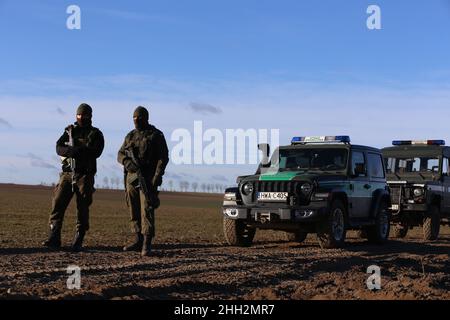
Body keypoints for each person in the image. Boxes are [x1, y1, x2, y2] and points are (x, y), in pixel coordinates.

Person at [42, 103, 104, 252]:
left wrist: (80, 151)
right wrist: (70, 150)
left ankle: (78, 239)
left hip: (84, 176)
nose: (81, 117)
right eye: (79, 115)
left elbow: (96, 152)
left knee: (82, 208)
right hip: (67, 175)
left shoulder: (95, 134)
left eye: (84, 115)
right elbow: (58, 147)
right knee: (57, 204)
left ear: (90, 116)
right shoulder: (69, 130)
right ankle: (54, 237)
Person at [117, 106, 169, 256]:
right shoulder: (130, 136)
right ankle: (138, 239)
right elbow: (120, 154)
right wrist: (126, 161)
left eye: (139, 118)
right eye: (134, 118)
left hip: (148, 178)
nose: (136, 120)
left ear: (146, 118)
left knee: (147, 209)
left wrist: (157, 177)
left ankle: (147, 243)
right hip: (131, 178)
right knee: (133, 209)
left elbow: (163, 158)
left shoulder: (156, 135)